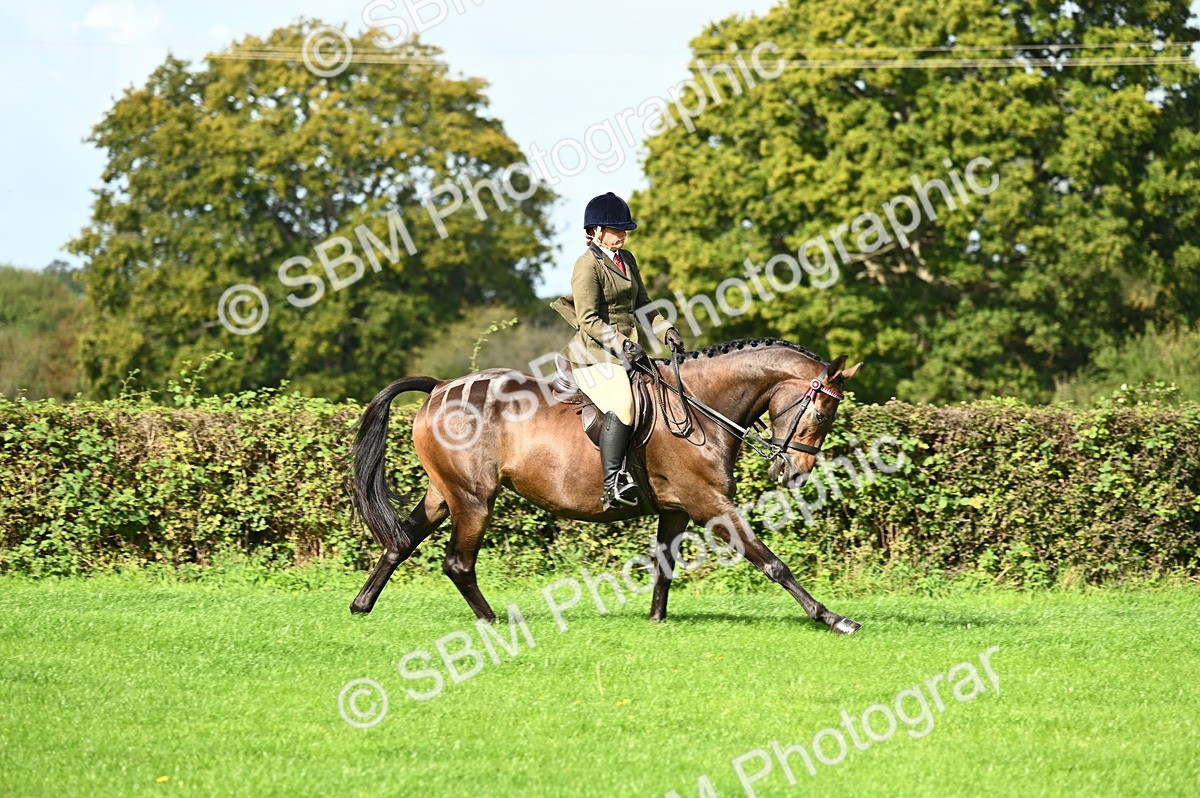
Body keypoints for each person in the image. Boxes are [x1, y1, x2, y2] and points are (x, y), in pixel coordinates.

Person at [550, 192, 685, 509]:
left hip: (629, 351)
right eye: (616, 229)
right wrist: (623, 343)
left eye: (624, 229)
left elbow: (645, 306)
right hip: (594, 354)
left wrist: (667, 330)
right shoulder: (586, 266)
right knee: (624, 406)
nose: (622, 234)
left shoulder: (628, 261)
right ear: (596, 231)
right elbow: (588, 319)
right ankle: (611, 486)